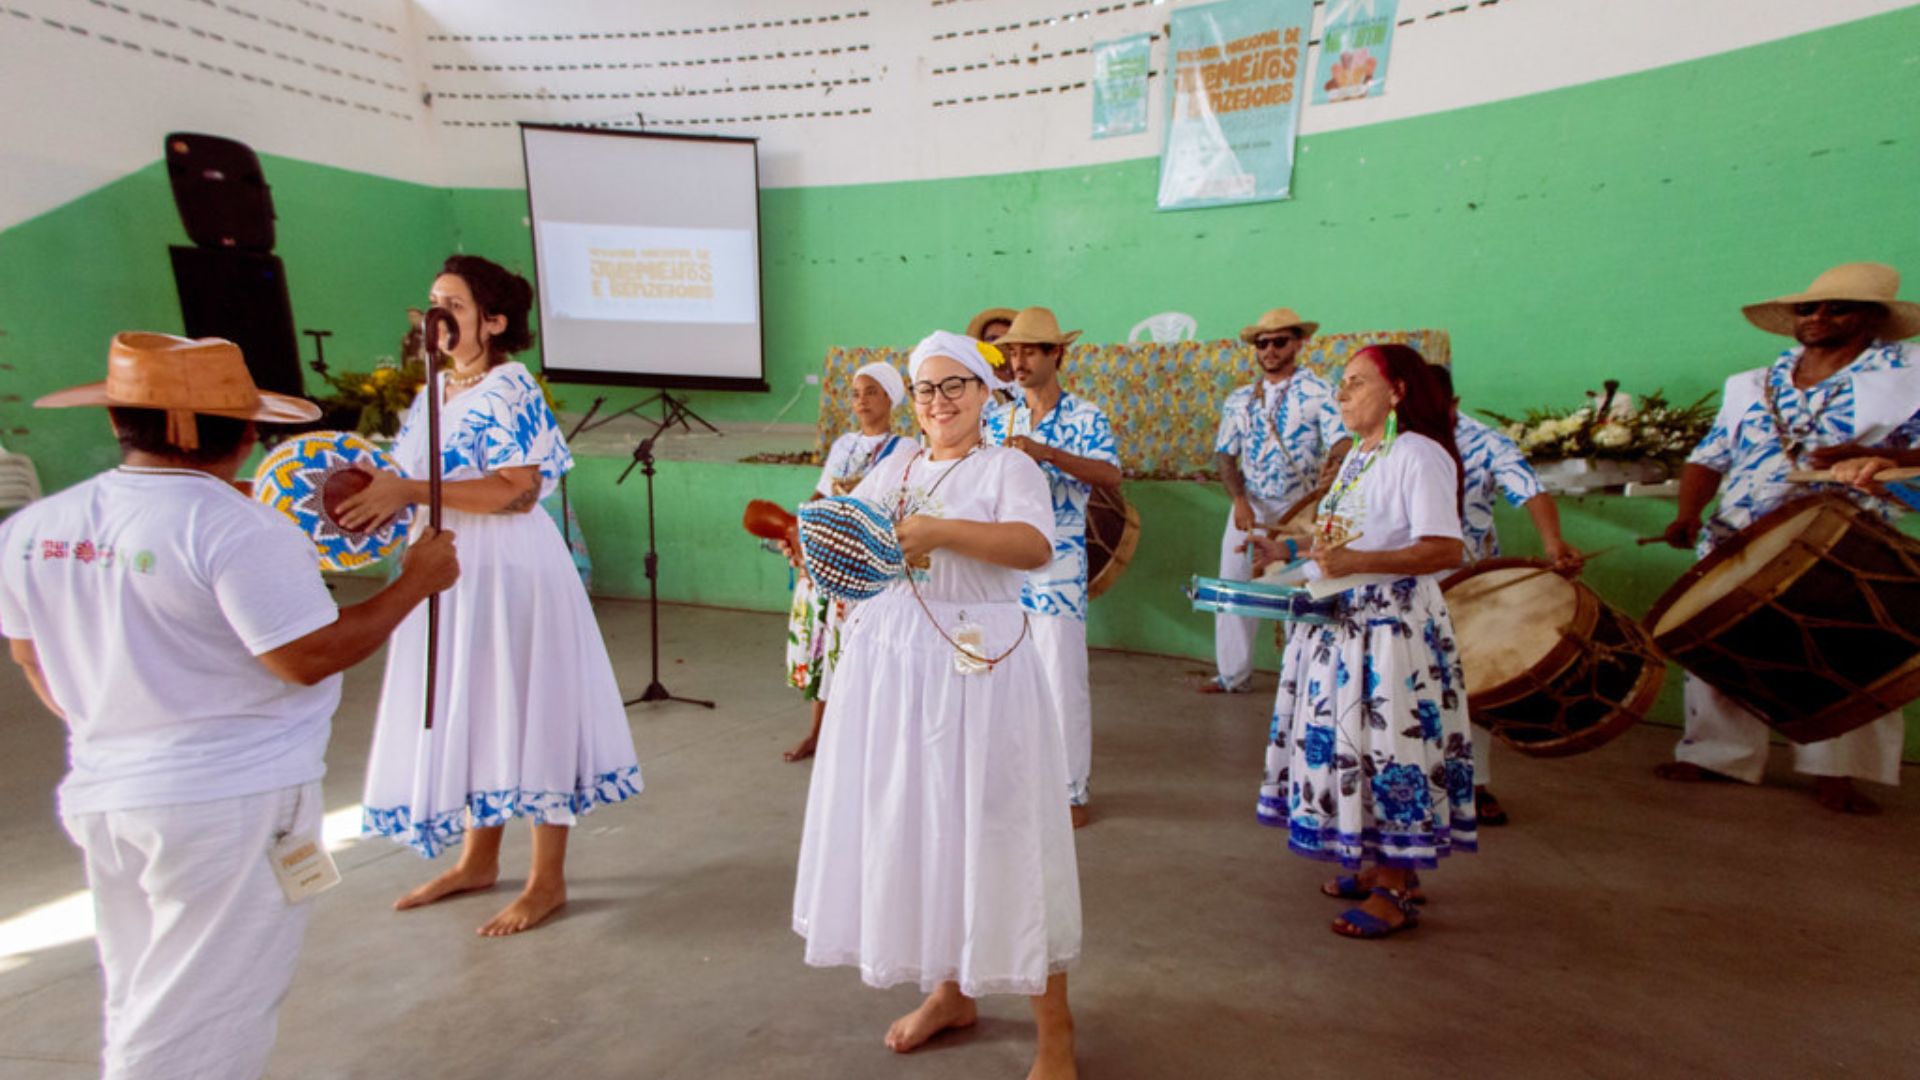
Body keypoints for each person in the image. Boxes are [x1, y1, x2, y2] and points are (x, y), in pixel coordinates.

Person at [1, 332, 460, 1079]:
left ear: (118, 420)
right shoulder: (235, 528)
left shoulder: (35, 528)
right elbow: (305, 656)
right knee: (206, 1018)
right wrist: (416, 582)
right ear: (247, 434)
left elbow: (31, 658)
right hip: (226, 802)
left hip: (105, 793)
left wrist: (122, 726)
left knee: (144, 992)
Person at [792, 331, 1080, 1079]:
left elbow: (1033, 547)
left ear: (986, 393)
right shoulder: (895, 465)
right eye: (926, 389)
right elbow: (854, 543)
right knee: (925, 827)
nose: (940, 401)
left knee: (1001, 831)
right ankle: (950, 992)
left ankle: (1055, 1031)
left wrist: (938, 532)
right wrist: (820, 553)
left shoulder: (1008, 466)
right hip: (894, 666)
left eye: (956, 385)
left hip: (978, 662)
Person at [338, 254, 641, 934]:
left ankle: (546, 880)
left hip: (508, 570)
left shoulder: (510, 388)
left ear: (494, 322)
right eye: (433, 301)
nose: (436, 316)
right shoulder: (436, 389)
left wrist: (409, 489)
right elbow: (406, 476)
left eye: (454, 305)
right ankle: (477, 861)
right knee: (474, 704)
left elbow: (517, 491)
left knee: (530, 705)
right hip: (445, 568)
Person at [1658, 262, 1920, 815]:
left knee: (1850, 649)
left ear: (1872, 318)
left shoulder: (1909, 373)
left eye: (1837, 308)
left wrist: (1880, 456)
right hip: (1740, 530)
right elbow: (1710, 455)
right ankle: (1717, 755)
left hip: (1845, 536)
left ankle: (1838, 772)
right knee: (1720, 643)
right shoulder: (1751, 383)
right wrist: (1688, 513)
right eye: (1808, 308)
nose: (1818, 316)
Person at [1247, 344, 1473, 939]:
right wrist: (1288, 550)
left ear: (1397, 391)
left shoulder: (1418, 454)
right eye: (1341, 383)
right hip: (1346, 625)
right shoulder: (1361, 455)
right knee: (1361, 747)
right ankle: (1383, 866)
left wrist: (1356, 563)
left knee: (1390, 749)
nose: (1342, 394)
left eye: (1356, 383)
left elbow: (1445, 548)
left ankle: (1395, 890)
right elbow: (1343, 537)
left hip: (1390, 632)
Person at [983, 307, 1123, 827]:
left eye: (1028, 352)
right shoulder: (997, 418)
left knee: (1061, 683)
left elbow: (1110, 475)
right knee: (996, 678)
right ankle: (1005, 783)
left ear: (1056, 354)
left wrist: (1048, 454)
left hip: (1058, 569)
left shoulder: (1086, 416)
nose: (1017, 361)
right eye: (1012, 352)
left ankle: (1071, 793)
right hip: (1002, 568)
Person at [1430, 363, 1582, 826]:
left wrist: (1553, 542)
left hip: (1469, 581)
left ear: (1454, 404)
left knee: (1470, 682)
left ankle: (1472, 785)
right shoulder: (1391, 438)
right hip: (1401, 581)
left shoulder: (1484, 441)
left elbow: (1530, 491)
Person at [1204, 307, 1349, 693]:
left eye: (1279, 341)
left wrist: (1335, 466)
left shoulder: (1319, 391)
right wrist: (1239, 500)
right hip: (1250, 507)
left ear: (1299, 343)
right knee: (1234, 585)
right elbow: (1225, 456)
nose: (1269, 350)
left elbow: (1341, 440)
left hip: (1300, 509)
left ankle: (1299, 679)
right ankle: (1232, 675)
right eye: (1262, 343)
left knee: (1297, 590)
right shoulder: (1239, 399)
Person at [782, 360, 911, 762]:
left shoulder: (905, 450)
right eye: (856, 393)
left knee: (857, 651)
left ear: (891, 398)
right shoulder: (844, 446)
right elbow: (822, 495)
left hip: (865, 564)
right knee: (824, 647)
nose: (862, 401)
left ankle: (859, 737)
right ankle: (818, 733)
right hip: (827, 558)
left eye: (871, 392)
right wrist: (801, 531)